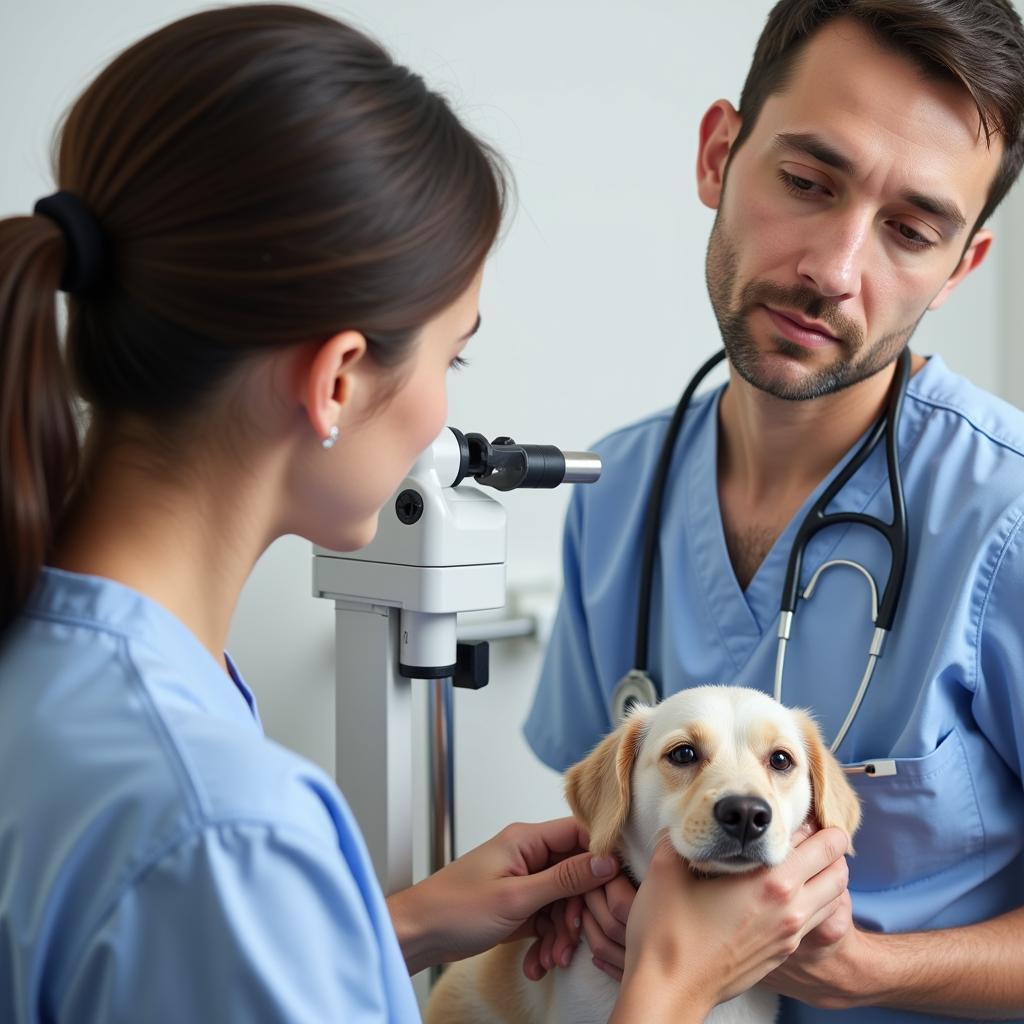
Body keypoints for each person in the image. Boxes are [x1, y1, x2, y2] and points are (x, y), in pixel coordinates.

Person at [0, 5, 852, 1021]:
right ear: (338, 380)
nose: (447, 407)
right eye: (454, 355)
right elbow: (200, 882)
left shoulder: (57, 676)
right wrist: (673, 986)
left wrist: (388, 921)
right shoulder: (226, 824)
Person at [525, 0, 1024, 1020]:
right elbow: (602, 820)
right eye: (806, 182)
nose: (833, 272)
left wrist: (862, 972)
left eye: (910, 231)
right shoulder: (614, 490)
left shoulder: (1004, 515)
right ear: (718, 153)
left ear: (957, 269)